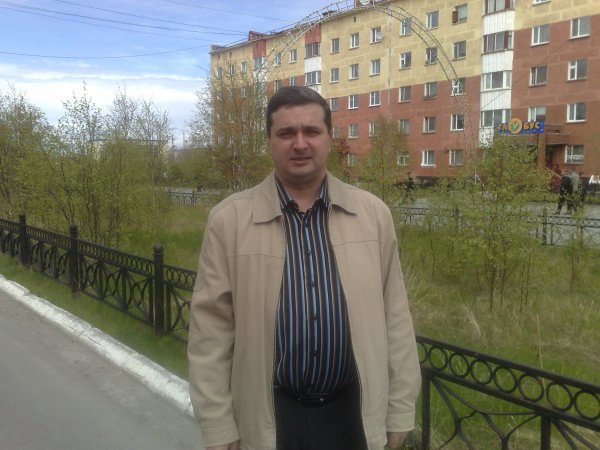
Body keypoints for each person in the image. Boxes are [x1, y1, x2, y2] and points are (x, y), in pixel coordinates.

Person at [187, 86, 421, 450]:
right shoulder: (229, 221)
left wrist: (400, 408)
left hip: (352, 415)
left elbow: (397, 319)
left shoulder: (373, 215)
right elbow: (210, 332)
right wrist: (218, 425)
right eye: (286, 133)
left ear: (328, 137)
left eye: (311, 131)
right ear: (269, 141)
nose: (300, 144)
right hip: (271, 417)